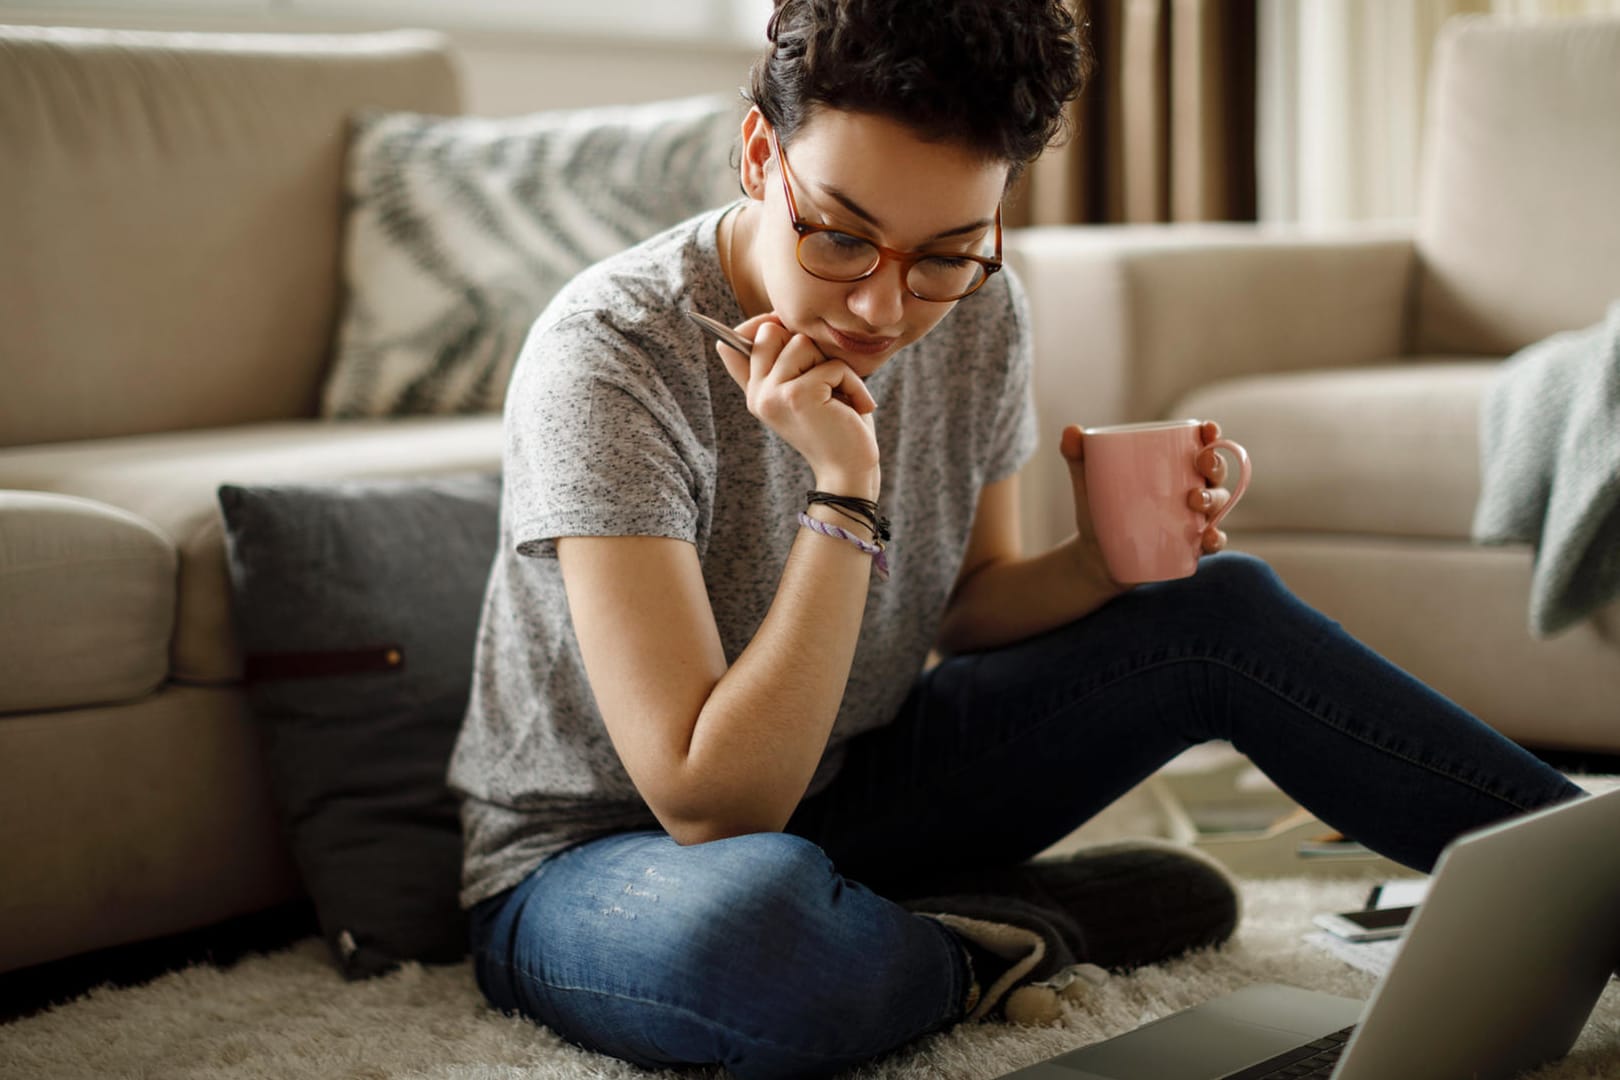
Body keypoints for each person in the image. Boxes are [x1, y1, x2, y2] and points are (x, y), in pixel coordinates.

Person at [448, 1, 1585, 1075]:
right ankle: (1009, 931)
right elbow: (711, 802)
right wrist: (843, 490)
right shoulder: (612, 354)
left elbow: (969, 607)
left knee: (1219, 609)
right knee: (758, 942)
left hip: (862, 785)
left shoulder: (984, 305)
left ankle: (1597, 882)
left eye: (945, 252)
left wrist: (1098, 564)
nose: (884, 308)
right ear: (759, 156)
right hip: (605, 858)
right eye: (841, 238)